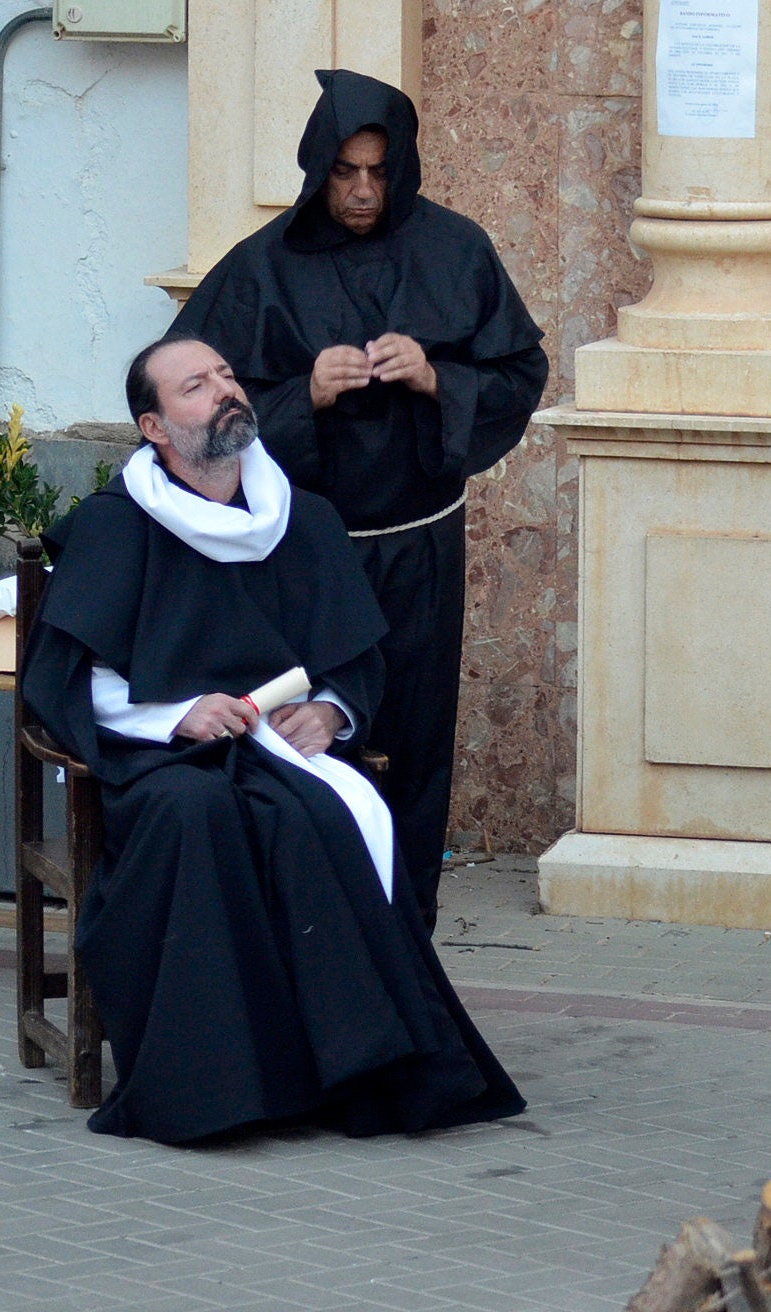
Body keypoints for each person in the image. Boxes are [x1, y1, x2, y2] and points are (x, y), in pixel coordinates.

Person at [20, 335, 524, 1145]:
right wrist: (174, 717)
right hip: (164, 758)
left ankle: (351, 1072)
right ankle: (216, 1088)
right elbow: (66, 677)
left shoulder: (305, 516)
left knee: (313, 819)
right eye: (196, 385)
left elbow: (357, 654)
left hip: (281, 750)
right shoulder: (114, 528)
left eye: (227, 374)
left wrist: (329, 711)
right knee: (197, 814)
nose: (225, 390)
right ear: (154, 425)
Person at [172, 69, 548, 923]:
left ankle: (403, 942)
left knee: (412, 747)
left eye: (380, 171)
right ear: (318, 168)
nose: (364, 191)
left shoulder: (457, 250)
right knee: (297, 743)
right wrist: (299, 396)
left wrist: (438, 379)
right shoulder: (261, 269)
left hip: (419, 548)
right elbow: (184, 413)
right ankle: (302, 939)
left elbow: (520, 372)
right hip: (298, 555)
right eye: (346, 171)